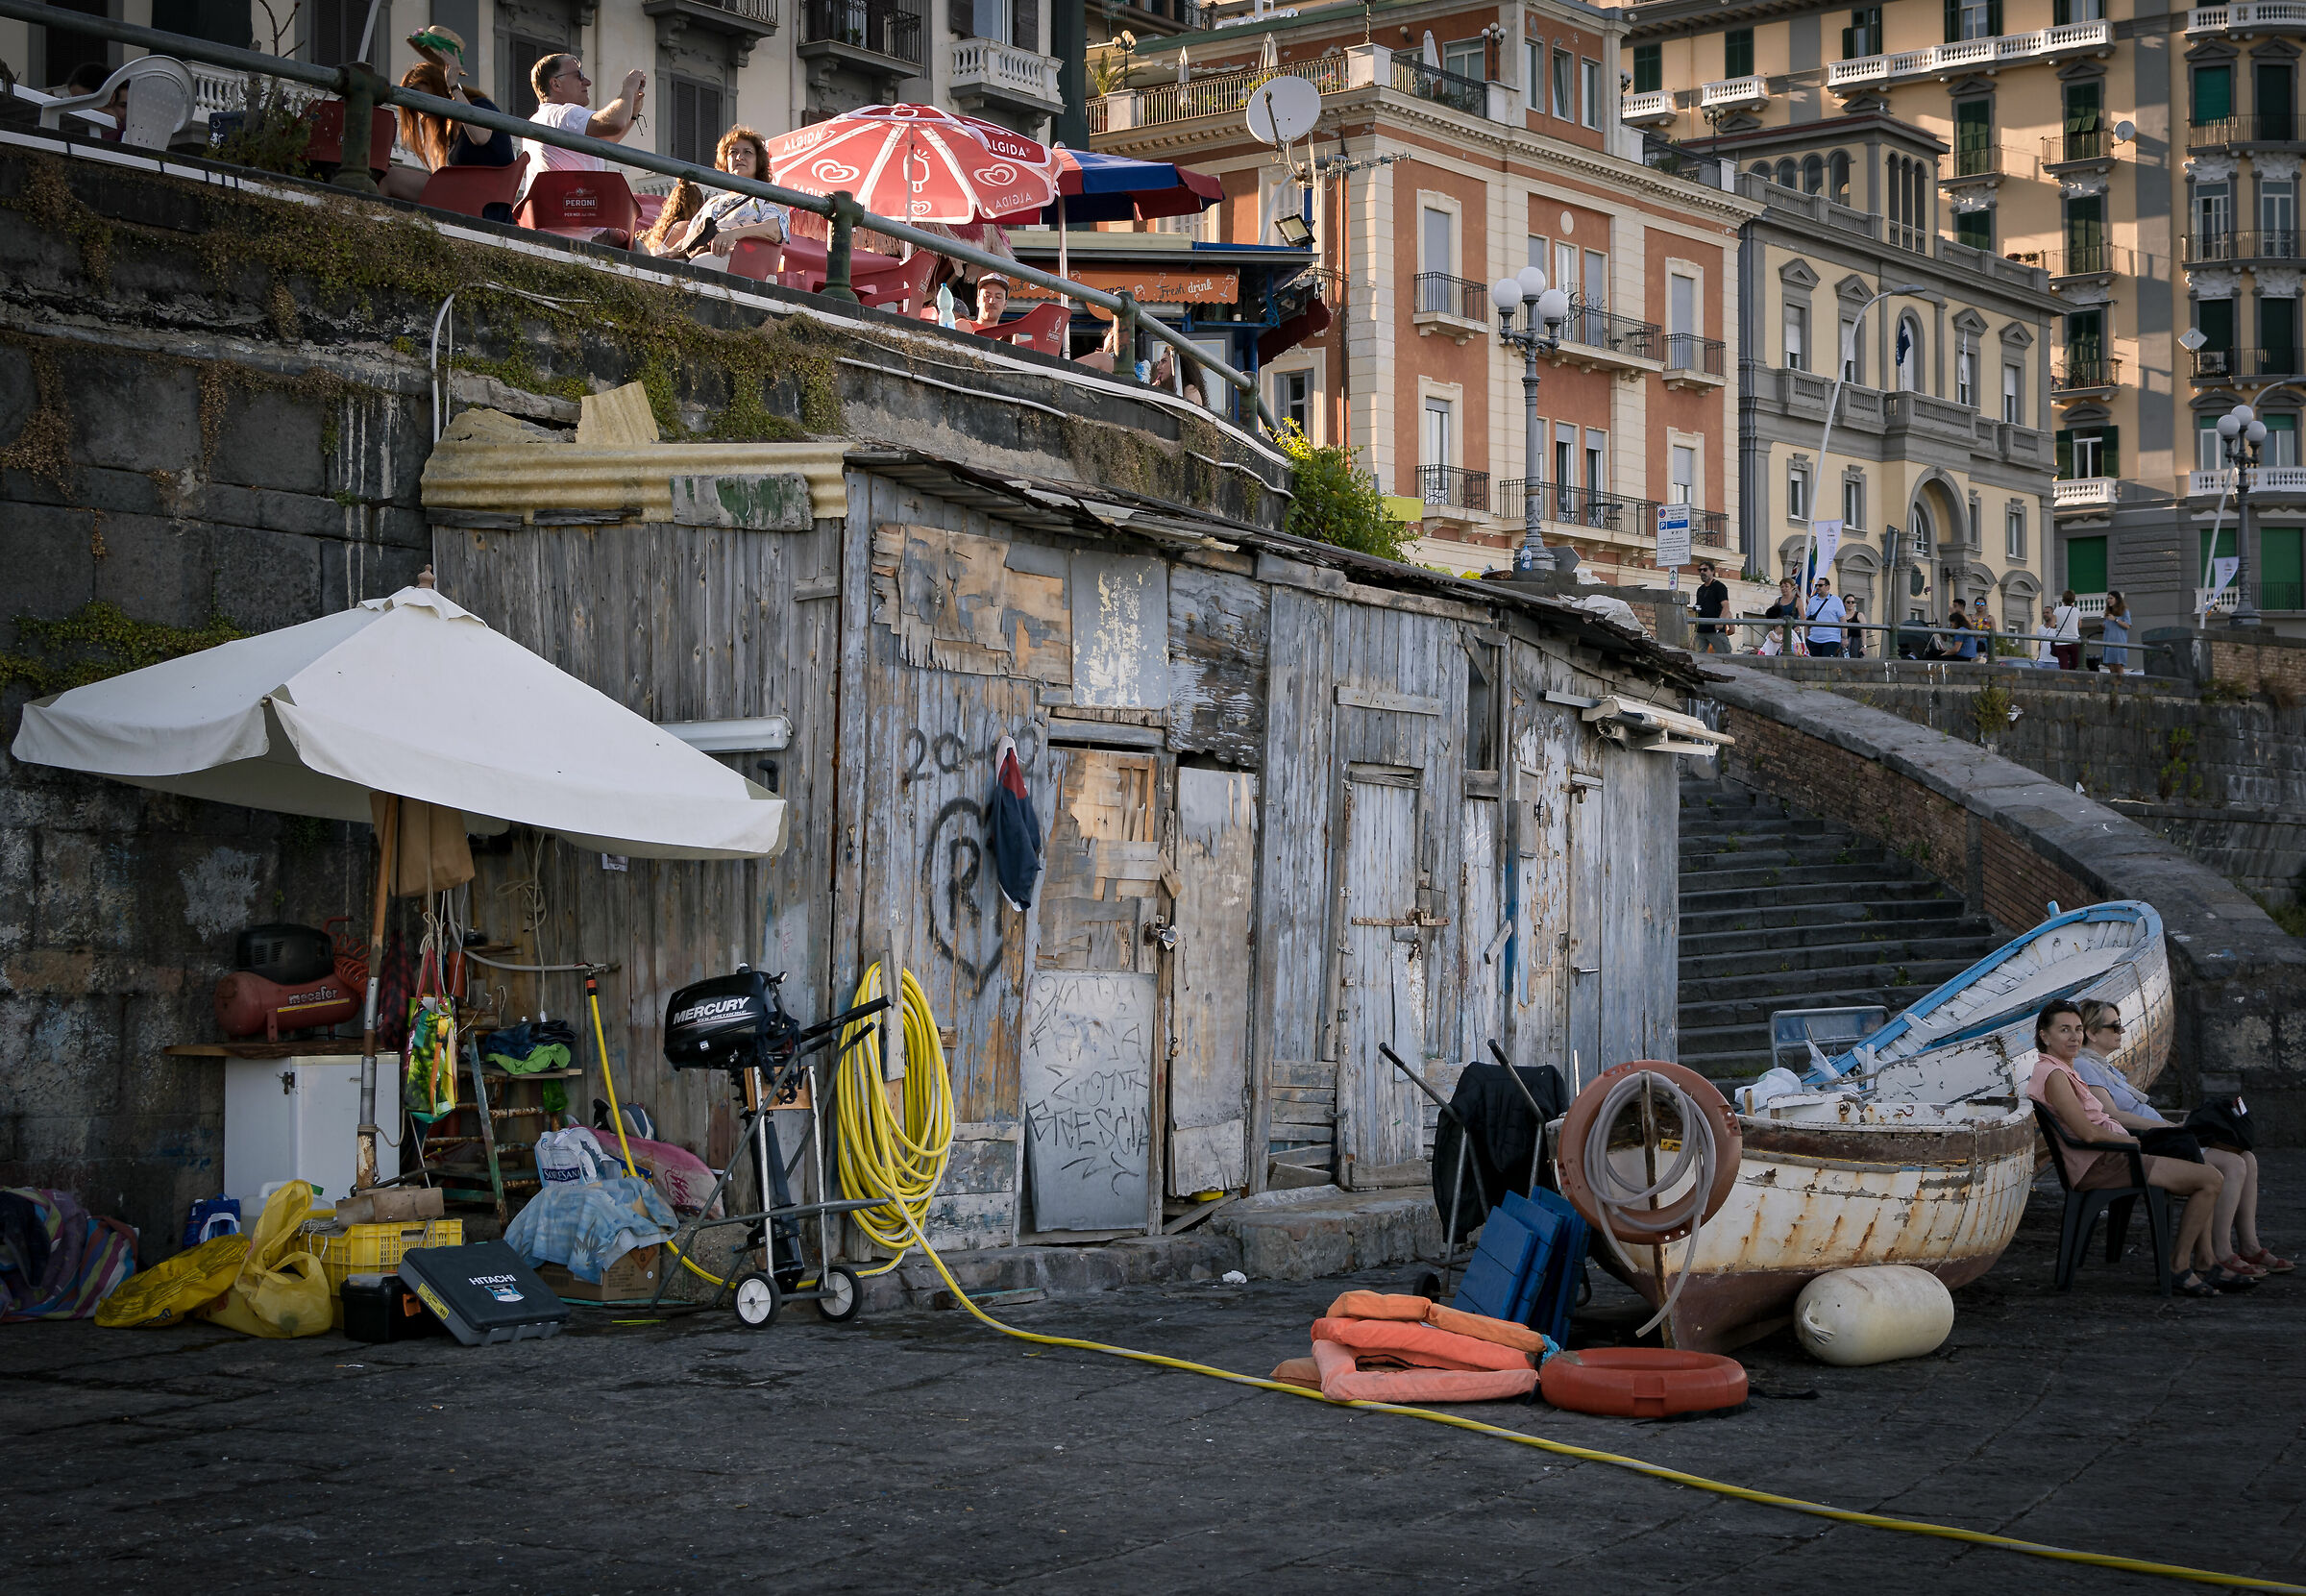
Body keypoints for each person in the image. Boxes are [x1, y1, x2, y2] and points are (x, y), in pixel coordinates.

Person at [2029, 999, 2234, 1297]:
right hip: (2104, 1163)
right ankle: (2181, 1266)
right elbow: (2086, 1133)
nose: (2074, 1037)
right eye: (2064, 1030)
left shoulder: (2062, 1069)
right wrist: (2130, 1141)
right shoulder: (2055, 1076)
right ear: (2045, 1036)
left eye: (2077, 1029)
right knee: (2211, 1179)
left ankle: (2202, 1261)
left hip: (2110, 1156)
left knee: (2199, 1163)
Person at [2072, 1001, 2289, 1279]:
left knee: (2248, 1158)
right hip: (2150, 1142)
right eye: (2113, 1026)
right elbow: (2114, 1116)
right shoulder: (2084, 1066)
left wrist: (2177, 1124)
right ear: (2091, 1032)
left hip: (2160, 1135)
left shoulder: (2103, 1068)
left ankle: (2249, 1244)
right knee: (2233, 1165)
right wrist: (2170, 1126)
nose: (2121, 1030)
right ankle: (2221, 1252)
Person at [383, 30, 518, 206]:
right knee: (385, 175)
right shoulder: (450, 127)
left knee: (389, 178)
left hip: (481, 202)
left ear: (435, 83)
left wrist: (454, 86)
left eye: (416, 92)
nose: (415, 104)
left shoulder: (480, 106)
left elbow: (480, 137)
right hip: (467, 196)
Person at [663, 127, 788, 269]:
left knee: (699, 265)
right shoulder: (713, 202)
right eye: (733, 152)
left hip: (741, 262)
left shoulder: (770, 198)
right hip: (699, 257)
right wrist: (671, 252)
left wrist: (733, 235)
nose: (739, 157)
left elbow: (774, 230)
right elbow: (693, 237)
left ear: (758, 161)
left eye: (747, 152)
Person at [521, 53, 644, 196]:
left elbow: (608, 138)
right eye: (578, 75)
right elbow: (615, 123)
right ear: (556, 84)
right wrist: (628, 88)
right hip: (571, 211)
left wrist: (633, 111)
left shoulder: (540, 119)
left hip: (552, 210)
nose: (587, 81)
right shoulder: (563, 114)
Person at [1693, 561, 1731, 654]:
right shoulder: (1700, 589)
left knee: (1725, 657)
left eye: (1705, 569)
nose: (1702, 572)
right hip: (1701, 630)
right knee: (1699, 658)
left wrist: (1720, 621)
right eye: (1700, 570)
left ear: (1712, 571)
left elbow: (1726, 606)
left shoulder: (1719, 587)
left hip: (1715, 631)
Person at [1804, 576, 1847, 658]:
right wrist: (1806, 638)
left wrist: (1844, 637)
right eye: (1816, 585)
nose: (1817, 587)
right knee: (1814, 665)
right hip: (1813, 639)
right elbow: (1807, 620)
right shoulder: (1812, 600)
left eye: (1820, 585)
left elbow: (1843, 620)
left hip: (1831, 639)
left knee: (1827, 664)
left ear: (1827, 587)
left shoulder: (1836, 600)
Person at [2100, 591, 2132, 676]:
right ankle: (2114, 687)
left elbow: (2128, 625)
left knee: (2119, 666)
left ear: (2117, 599)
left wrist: (2116, 620)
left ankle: (2121, 686)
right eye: (2108, 598)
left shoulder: (2124, 611)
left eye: (2111, 598)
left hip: (2119, 643)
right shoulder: (2108, 613)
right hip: (2108, 643)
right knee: (2111, 667)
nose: (2109, 600)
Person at [2050, 588, 2082, 670]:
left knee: (2063, 666)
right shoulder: (2076, 611)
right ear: (2073, 599)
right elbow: (2079, 626)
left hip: (2061, 642)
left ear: (2063, 599)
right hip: (2074, 640)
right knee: (2075, 665)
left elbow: (2052, 625)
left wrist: (2059, 626)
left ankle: (2064, 680)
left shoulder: (2057, 610)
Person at [1843, 596, 1867, 660]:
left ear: (1855, 604)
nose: (1850, 604)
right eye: (1848, 602)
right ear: (1844, 603)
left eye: (1852, 602)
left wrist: (1864, 646)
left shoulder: (1859, 615)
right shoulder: (1841, 616)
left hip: (1856, 643)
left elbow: (1864, 630)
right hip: (1843, 642)